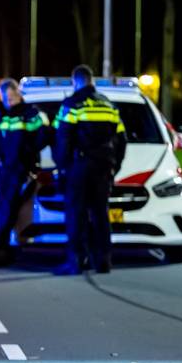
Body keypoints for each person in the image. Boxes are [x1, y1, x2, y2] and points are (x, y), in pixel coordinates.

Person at [52, 65, 127, 275]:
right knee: (100, 214)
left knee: (76, 213)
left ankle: (76, 260)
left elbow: (63, 138)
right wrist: (115, 165)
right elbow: (122, 139)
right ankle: (103, 261)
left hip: (80, 167)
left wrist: (63, 167)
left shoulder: (72, 104)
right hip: (104, 167)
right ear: (92, 81)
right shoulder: (109, 105)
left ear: (75, 81)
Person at [0, 79, 50, 268]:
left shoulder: (30, 114)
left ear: (18, 94)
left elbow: (44, 135)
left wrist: (28, 155)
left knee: (7, 209)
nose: (9, 101)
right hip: (2, 170)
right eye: (5, 97)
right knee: (3, 210)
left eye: (11, 96)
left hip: (20, 168)